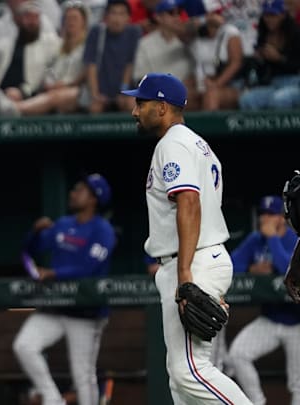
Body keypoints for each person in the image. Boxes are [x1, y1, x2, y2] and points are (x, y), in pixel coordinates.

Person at [121, 72, 252, 404]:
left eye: (141, 102)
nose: (135, 111)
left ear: (162, 107)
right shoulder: (193, 142)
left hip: (193, 262)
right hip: (197, 258)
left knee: (189, 372)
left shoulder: (174, 143)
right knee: (181, 381)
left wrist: (184, 278)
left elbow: (189, 203)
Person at [13, 173, 115, 405]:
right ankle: (53, 400)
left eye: (80, 190)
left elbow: (89, 267)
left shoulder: (102, 229)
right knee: (24, 346)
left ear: (93, 199)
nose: (73, 193)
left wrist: (54, 274)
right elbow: (30, 251)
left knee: (83, 374)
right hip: (57, 307)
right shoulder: (63, 224)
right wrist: (35, 233)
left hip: (85, 311)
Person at [226, 195, 300, 404]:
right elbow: (231, 264)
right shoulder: (255, 239)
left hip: (297, 323)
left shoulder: (294, 239)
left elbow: (290, 270)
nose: (265, 219)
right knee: (237, 354)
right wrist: (252, 269)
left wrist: (273, 239)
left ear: (282, 218)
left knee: (298, 383)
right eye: (263, 214)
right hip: (270, 319)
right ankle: (257, 402)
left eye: (271, 214)